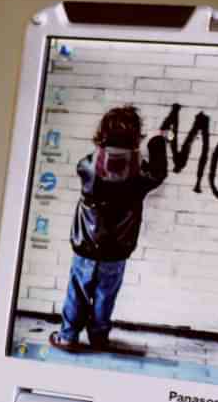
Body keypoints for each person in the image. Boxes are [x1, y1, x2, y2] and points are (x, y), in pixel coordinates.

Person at [51, 105, 169, 352]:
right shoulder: (140, 174)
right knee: (106, 296)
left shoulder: (88, 166)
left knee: (77, 293)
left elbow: (93, 165)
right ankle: (99, 338)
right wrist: (158, 141)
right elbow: (158, 173)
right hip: (116, 250)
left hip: (86, 245)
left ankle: (67, 337)